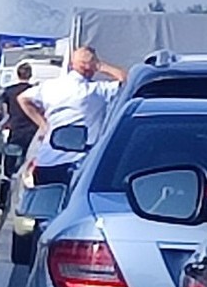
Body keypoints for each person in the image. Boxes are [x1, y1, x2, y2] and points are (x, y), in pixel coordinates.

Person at [17, 46, 127, 186]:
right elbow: (126, 80)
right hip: (78, 164)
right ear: (91, 67)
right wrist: (101, 66)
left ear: (71, 64)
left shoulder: (50, 86)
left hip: (46, 161)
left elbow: (23, 99)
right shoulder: (95, 91)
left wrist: (44, 126)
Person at [0, 62, 38, 177]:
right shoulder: (35, 91)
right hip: (32, 132)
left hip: (15, 132)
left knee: (9, 167)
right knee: (31, 165)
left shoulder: (8, 91)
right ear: (30, 74)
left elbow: (4, 112)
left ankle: (7, 188)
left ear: (17, 74)